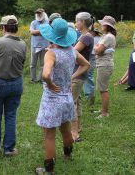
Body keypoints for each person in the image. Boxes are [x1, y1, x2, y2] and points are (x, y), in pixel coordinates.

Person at [35, 18, 90, 175]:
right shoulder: (72, 51)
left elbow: (45, 74)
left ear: (52, 36)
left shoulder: (51, 54)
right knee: (66, 130)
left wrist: (50, 84)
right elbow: (86, 64)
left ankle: (49, 171)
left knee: (49, 136)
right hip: (67, 98)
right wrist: (72, 77)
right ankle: (67, 155)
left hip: (52, 100)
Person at [0, 15, 27, 156]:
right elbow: (22, 64)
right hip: (16, 82)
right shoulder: (23, 44)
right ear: (16, 27)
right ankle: (9, 149)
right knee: (11, 116)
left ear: (3, 27)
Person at [71, 12, 94, 142]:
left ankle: (74, 134)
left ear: (82, 22)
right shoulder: (84, 36)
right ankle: (77, 128)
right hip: (78, 72)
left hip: (77, 73)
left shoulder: (86, 37)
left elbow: (73, 51)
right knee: (77, 101)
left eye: (76, 21)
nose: (75, 24)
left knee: (72, 103)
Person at [94, 16, 117, 119]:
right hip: (102, 64)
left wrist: (96, 47)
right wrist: (97, 48)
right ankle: (103, 109)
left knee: (103, 89)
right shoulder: (106, 36)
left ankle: (104, 113)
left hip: (105, 64)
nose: (101, 25)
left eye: (103, 24)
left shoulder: (108, 37)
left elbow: (98, 51)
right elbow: (98, 49)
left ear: (107, 26)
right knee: (101, 88)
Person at [30, 8, 49, 83]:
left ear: (43, 14)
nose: (38, 14)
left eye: (40, 13)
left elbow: (47, 32)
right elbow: (32, 32)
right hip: (34, 45)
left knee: (42, 64)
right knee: (32, 64)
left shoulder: (47, 22)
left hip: (44, 45)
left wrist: (36, 32)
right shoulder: (33, 22)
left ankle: (41, 79)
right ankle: (33, 79)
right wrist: (42, 31)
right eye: (37, 13)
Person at [83, 28, 101, 105]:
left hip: (91, 57)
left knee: (88, 76)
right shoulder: (98, 38)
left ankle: (90, 97)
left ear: (94, 32)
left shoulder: (95, 39)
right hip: (92, 58)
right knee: (87, 76)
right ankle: (89, 97)